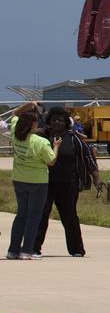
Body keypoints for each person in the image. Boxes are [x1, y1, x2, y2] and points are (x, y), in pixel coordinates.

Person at [34, 107, 100, 257]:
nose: (57, 122)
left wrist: (96, 178)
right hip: (45, 183)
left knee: (69, 216)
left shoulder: (73, 138)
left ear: (66, 123)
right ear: (49, 121)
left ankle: (77, 249)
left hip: (68, 184)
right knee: (42, 215)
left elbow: (88, 157)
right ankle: (34, 248)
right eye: (54, 119)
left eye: (61, 120)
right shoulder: (42, 137)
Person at [7, 103, 58, 259]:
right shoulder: (40, 142)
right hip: (37, 182)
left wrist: (29, 104)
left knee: (21, 214)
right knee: (34, 216)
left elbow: (15, 114)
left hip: (19, 179)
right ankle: (27, 250)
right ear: (32, 125)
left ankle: (13, 250)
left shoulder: (16, 133)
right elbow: (51, 161)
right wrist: (56, 146)